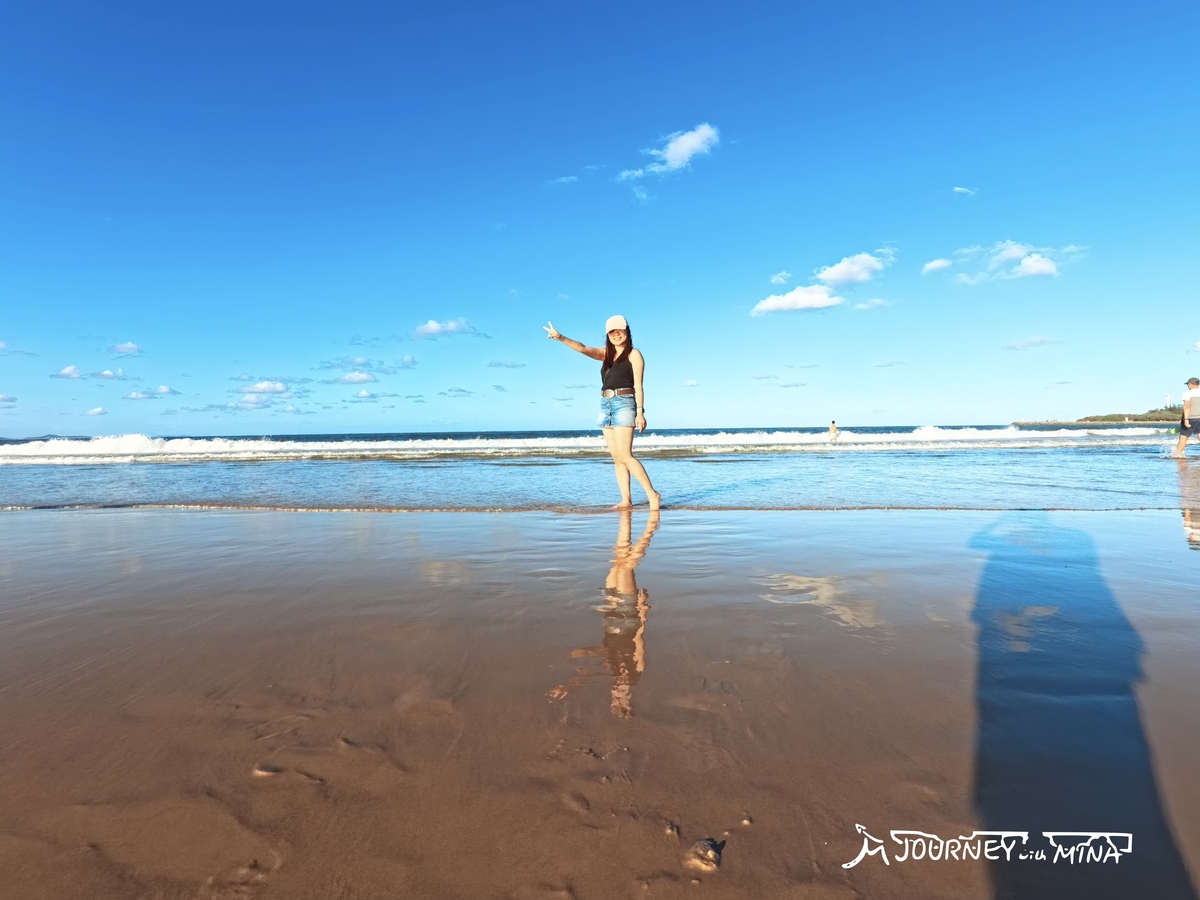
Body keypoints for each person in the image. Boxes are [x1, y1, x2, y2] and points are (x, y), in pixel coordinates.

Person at [544, 315, 661, 509]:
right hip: (605, 404)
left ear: (627, 331)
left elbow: (639, 386)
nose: (616, 334)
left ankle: (652, 494)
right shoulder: (605, 354)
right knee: (617, 458)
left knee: (625, 455)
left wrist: (640, 412)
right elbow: (583, 348)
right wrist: (561, 338)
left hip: (624, 402)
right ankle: (626, 500)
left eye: (619, 330)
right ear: (608, 335)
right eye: (612, 332)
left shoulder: (634, 354)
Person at [1173, 377, 1200, 458]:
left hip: (1191, 417)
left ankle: (1178, 454)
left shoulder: (1188, 393)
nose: (1188, 386)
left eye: (1188, 384)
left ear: (1190, 384)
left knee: (1184, 437)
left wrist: (1186, 419)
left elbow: (1187, 406)